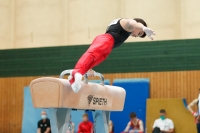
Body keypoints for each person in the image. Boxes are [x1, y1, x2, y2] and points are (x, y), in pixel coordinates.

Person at [67, 18, 156, 92]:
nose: (137, 36)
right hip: (106, 39)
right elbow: (132, 22)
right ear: (138, 25)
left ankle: (75, 77)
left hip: (109, 46)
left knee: (95, 60)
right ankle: (76, 72)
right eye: (139, 33)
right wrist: (144, 28)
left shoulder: (128, 30)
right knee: (92, 54)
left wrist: (89, 68)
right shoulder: (126, 23)